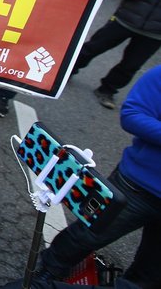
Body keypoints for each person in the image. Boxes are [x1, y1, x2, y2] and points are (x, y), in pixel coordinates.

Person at [34, 64, 161, 287]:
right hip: (139, 185)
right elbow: (133, 114)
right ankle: (48, 272)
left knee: (152, 270)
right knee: (87, 235)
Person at [0, 0, 161, 116]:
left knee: (132, 64)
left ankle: (107, 90)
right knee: (95, 46)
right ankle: (68, 70)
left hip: (154, 33)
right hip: (125, 19)